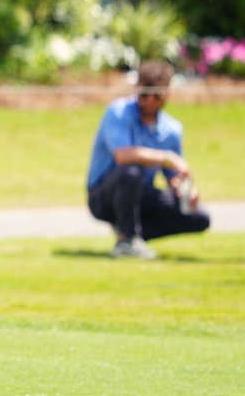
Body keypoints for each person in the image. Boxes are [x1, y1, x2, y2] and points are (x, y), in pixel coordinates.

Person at [84, 60, 211, 258]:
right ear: (137, 89)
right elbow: (123, 155)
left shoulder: (171, 130)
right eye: (144, 95)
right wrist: (167, 158)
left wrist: (185, 189)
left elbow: (172, 178)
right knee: (131, 171)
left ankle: (132, 235)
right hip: (104, 195)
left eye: (157, 95)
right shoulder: (118, 112)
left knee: (199, 218)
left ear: (168, 93)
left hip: (141, 196)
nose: (150, 101)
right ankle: (126, 242)